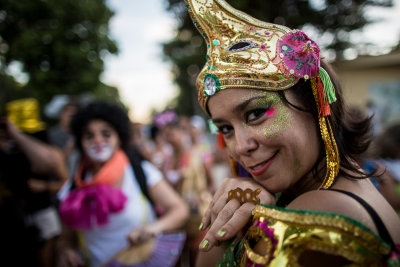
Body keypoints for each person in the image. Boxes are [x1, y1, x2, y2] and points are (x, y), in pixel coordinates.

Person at [184, 0, 400, 266]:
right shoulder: (349, 187)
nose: (240, 147)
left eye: (255, 114)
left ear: (314, 104)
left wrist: (228, 233)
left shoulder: (317, 214)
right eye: (225, 129)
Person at [55, 101, 189, 267]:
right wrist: (65, 250)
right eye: (89, 136)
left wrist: (151, 229)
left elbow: (180, 210)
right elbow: (66, 239)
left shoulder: (141, 172)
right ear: (81, 143)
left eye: (106, 134)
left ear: (119, 138)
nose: (98, 141)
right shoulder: (72, 188)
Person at [0, 98, 68, 267]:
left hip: (42, 214)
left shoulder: (45, 150)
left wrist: (18, 135)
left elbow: (62, 178)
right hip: (12, 219)